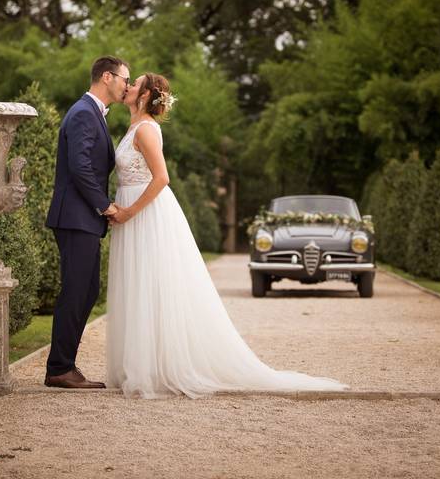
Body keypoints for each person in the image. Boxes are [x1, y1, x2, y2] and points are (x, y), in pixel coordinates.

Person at [106, 73, 347, 398]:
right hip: (131, 208)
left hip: (144, 213)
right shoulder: (134, 127)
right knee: (138, 285)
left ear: (146, 95)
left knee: (150, 284)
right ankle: (139, 364)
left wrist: (129, 212)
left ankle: (152, 369)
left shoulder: (147, 129)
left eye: (135, 83)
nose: (129, 86)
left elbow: (162, 178)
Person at [43, 56, 131, 389]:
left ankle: (63, 365)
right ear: (107, 77)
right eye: (125, 78)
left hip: (81, 219)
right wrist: (106, 207)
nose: (127, 84)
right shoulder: (83, 113)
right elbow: (79, 168)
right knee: (77, 291)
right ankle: (59, 368)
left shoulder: (91, 113)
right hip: (76, 217)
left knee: (87, 289)